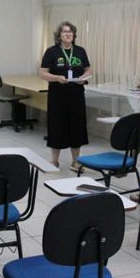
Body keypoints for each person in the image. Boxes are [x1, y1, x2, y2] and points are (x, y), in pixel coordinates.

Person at [39, 21, 92, 170]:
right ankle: (54, 161)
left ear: (73, 35)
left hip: (76, 94)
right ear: (59, 35)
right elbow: (42, 73)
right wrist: (57, 78)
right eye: (65, 32)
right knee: (57, 126)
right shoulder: (51, 52)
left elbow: (88, 70)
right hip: (57, 95)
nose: (68, 34)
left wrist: (83, 78)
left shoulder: (80, 51)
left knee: (77, 127)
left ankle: (76, 161)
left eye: (70, 31)